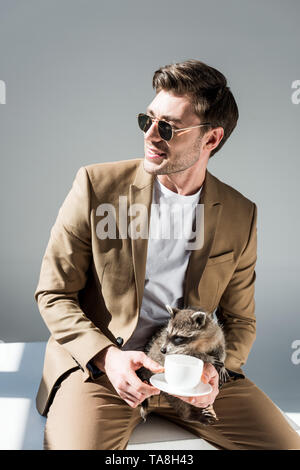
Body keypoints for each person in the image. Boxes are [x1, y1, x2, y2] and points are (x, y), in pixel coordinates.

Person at [34, 59, 300, 450]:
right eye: (148, 120)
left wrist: (213, 372)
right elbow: (53, 294)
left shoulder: (240, 213)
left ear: (210, 140)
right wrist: (108, 358)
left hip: (189, 376)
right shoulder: (96, 186)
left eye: (168, 127)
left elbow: (240, 319)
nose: (151, 136)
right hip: (103, 371)